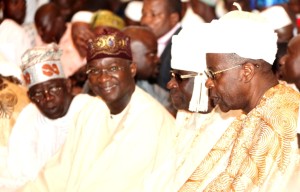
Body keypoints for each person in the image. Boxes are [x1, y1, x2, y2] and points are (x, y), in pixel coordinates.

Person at [19, 29, 175, 192]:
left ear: (132, 69)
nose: (103, 78)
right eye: (94, 71)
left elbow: (114, 184)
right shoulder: (90, 111)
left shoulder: (149, 119)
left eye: (113, 68)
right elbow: (58, 172)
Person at [179, 6, 300, 191]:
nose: (208, 83)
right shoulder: (252, 113)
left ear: (247, 72)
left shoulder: (287, 120)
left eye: (213, 73)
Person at [0, 43, 94, 191]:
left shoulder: (89, 111)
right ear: (30, 97)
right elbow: (17, 170)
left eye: (54, 88)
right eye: (38, 93)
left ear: (68, 85)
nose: (47, 97)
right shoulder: (29, 116)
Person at [166, 23, 241, 191]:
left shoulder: (232, 126)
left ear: (204, 79)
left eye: (180, 77)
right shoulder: (185, 114)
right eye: (172, 75)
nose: (170, 84)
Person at [122, 25, 174, 115]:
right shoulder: (118, 94)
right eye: (151, 54)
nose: (158, 60)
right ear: (130, 57)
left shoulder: (147, 84)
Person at [141, 0, 182, 91]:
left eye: (153, 14)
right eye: (143, 14)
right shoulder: (145, 40)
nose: (144, 21)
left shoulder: (183, 45)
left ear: (173, 18)